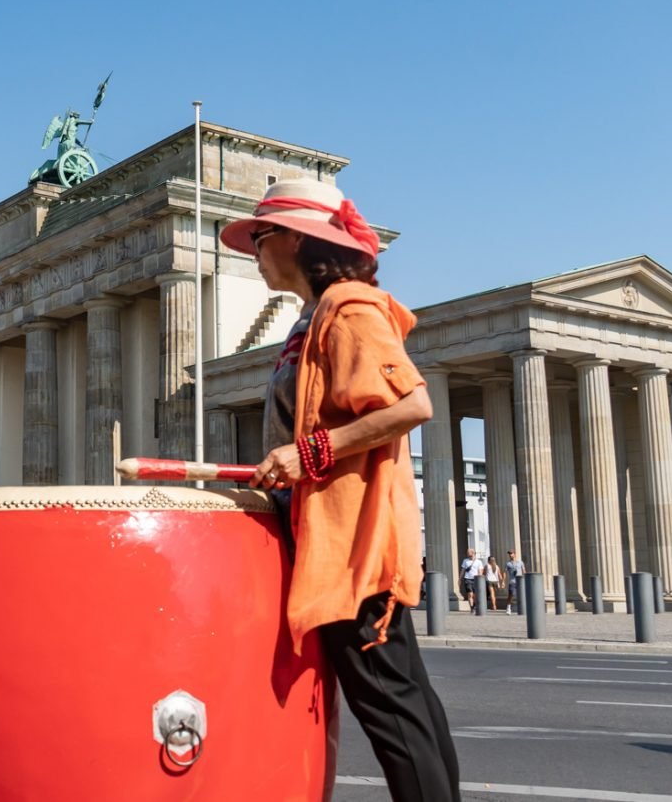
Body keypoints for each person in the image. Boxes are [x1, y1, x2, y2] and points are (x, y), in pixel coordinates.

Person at [222, 178, 460, 801]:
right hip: (336, 537)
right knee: (405, 703)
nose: (254, 250)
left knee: (391, 709)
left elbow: (413, 404)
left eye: (261, 237)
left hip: (353, 544)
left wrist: (309, 454)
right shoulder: (313, 317)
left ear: (298, 240)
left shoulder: (349, 308)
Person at [460, 548, 484, 612]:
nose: (467, 554)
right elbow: (463, 570)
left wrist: (480, 579)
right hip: (467, 579)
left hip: (475, 579)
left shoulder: (479, 562)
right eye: (467, 553)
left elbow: (480, 571)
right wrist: (460, 579)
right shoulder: (465, 561)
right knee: (470, 594)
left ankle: (475, 605)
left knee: (475, 595)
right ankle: (471, 608)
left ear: (473, 553)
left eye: (468, 553)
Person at [504, 550, 526, 614]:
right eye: (509, 554)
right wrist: (503, 581)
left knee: (521, 594)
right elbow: (505, 572)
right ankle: (508, 607)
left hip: (520, 580)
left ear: (515, 554)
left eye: (511, 553)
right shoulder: (508, 563)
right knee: (511, 594)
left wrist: (525, 578)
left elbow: (524, 570)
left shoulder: (520, 562)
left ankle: (521, 608)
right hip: (512, 580)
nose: (510, 555)